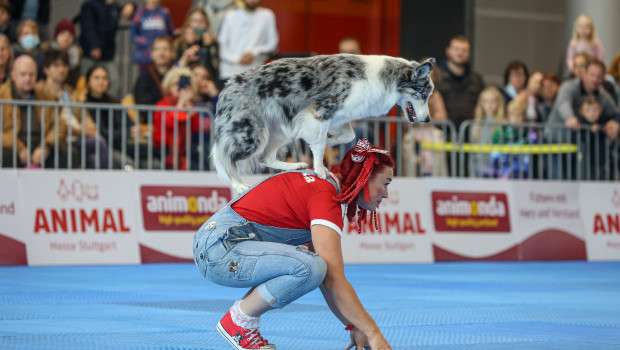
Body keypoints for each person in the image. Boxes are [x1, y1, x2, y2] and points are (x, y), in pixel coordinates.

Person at [193, 138, 394, 350]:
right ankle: (239, 321)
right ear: (363, 178)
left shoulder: (319, 186)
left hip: (216, 245)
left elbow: (328, 280)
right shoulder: (324, 196)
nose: (387, 194)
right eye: (386, 183)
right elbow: (334, 280)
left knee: (314, 266)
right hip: (219, 250)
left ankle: (241, 320)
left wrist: (355, 326)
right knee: (309, 267)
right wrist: (375, 334)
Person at [546, 59, 620, 180]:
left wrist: (615, 122)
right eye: (592, 75)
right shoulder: (570, 87)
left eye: (599, 76)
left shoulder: (601, 94)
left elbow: (615, 112)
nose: (595, 79)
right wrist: (570, 117)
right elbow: (563, 103)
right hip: (556, 142)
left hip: (579, 146)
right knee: (559, 180)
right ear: (583, 74)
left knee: (579, 181)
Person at [36, 50, 109, 169]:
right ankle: (108, 181)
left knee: (92, 158)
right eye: (56, 65)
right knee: (98, 143)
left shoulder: (70, 92)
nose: (61, 69)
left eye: (64, 65)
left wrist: (91, 127)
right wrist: (83, 132)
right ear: (46, 69)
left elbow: (84, 114)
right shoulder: (41, 91)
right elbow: (58, 123)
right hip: (62, 137)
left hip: (79, 137)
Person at [1, 55, 71, 168]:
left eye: (31, 74)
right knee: (6, 155)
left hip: (41, 145)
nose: (28, 79)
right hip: (13, 146)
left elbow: (61, 125)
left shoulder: (46, 95)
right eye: (23, 74)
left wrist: (46, 146)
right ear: (13, 75)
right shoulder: (2, 96)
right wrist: (19, 147)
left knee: (68, 154)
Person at [81, 65, 144, 169]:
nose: (101, 81)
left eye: (104, 78)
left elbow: (130, 123)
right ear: (88, 82)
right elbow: (102, 133)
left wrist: (133, 129)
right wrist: (127, 132)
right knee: (127, 164)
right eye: (96, 78)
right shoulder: (86, 105)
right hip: (105, 147)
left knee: (150, 161)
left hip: (123, 145)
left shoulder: (114, 102)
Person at [78, 0, 135, 97]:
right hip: (90, 54)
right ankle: (83, 107)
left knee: (114, 80)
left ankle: (108, 106)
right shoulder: (90, 5)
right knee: (85, 82)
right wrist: (94, 45)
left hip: (107, 55)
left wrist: (132, 6)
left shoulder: (114, 7)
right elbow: (88, 27)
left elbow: (128, 10)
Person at [153, 67, 203, 170]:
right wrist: (180, 104)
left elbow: (196, 127)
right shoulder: (162, 104)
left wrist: (188, 104)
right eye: (176, 84)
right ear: (168, 86)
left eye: (184, 84)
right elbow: (171, 124)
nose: (179, 88)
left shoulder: (189, 105)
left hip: (185, 151)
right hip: (164, 150)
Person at [217, 0, 279, 82]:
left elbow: (273, 44)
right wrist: (238, 59)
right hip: (229, 73)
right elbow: (221, 46)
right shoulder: (230, 15)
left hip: (255, 73)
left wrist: (254, 52)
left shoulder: (267, 15)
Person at [436, 35, 485, 130]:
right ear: (448, 51)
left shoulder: (476, 79)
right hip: (442, 135)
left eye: (464, 50)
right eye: (456, 49)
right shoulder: (437, 78)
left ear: (469, 53)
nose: (460, 53)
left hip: (470, 135)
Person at [174, 7, 220, 86]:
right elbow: (176, 69)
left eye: (201, 21)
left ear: (206, 24)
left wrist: (209, 47)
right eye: (194, 21)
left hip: (206, 82)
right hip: (186, 82)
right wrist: (189, 44)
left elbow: (215, 70)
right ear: (188, 23)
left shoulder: (213, 43)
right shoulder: (179, 42)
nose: (198, 24)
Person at [491, 98, 533, 179]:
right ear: (508, 116)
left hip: (524, 172)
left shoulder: (529, 131)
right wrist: (495, 171)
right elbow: (494, 153)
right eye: (513, 115)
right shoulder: (500, 131)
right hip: (504, 171)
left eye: (519, 115)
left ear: (523, 116)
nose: (516, 118)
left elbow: (535, 144)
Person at [469, 86, 505, 178]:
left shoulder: (503, 124)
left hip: (497, 171)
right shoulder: (476, 125)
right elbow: (472, 152)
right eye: (485, 101)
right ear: (481, 104)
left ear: (498, 103)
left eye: (493, 101)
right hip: (479, 170)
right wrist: (472, 172)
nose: (489, 104)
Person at [130, 0, 175, 73]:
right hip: (145, 56)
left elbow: (171, 31)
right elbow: (132, 35)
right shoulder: (140, 13)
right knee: (147, 76)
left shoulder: (164, 12)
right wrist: (143, 41)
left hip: (162, 55)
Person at [189, 62, 218, 170]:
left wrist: (214, 94)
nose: (200, 80)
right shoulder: (183, 97)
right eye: (196, 75)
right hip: (190, 147)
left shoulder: (210, 102)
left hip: (209, 147)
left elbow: (226, 113)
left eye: (205, 77)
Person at [40, 19, 82, 88]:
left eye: (70, 35)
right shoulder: (46, 51)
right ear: (56, 36)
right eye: (62, 33)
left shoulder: (76, 55)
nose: (66, 38)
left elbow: (75, 80)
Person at [133, 36, 175, 106]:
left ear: (173, 53)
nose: (161, 53)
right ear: (151, 54)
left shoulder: (178, 76)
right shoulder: (144, 80)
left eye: (165, 49)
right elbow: (145, 108)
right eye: (157, 49)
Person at [576, 96, 608, 180]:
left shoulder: (604, 122)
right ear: (582, 112)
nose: (592, 113)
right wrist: (590, 131)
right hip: (586, 158)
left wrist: (603, 129)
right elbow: (580, 137)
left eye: (595, 110)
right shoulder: (580, 124)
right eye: (588, 110)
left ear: (600, 111)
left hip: (601, 158)